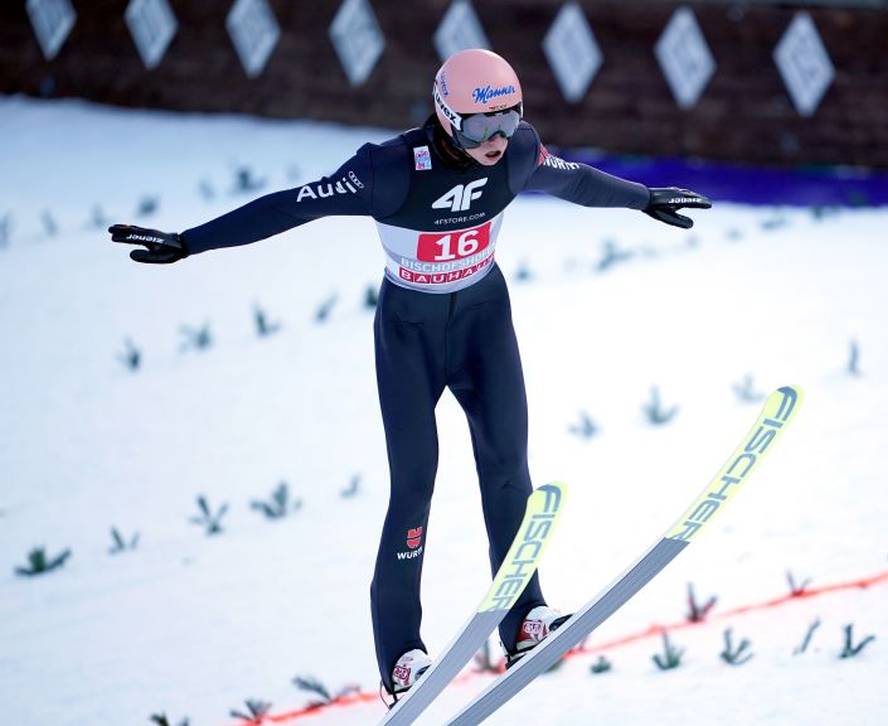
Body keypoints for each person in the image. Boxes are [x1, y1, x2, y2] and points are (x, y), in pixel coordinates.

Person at [108, 48, 709, 705]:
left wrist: (642, 198)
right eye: (480, 126)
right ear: (445, 117)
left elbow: (574, 181)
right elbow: (291, 206)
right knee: (414, 486)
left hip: (483, 320)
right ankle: (400, 657)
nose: (496, 139)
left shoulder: (516, 152)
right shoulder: (388, 171)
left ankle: (525, 619)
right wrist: (191, 241)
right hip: (410, 335)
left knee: (509, 466)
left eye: (509, 119)